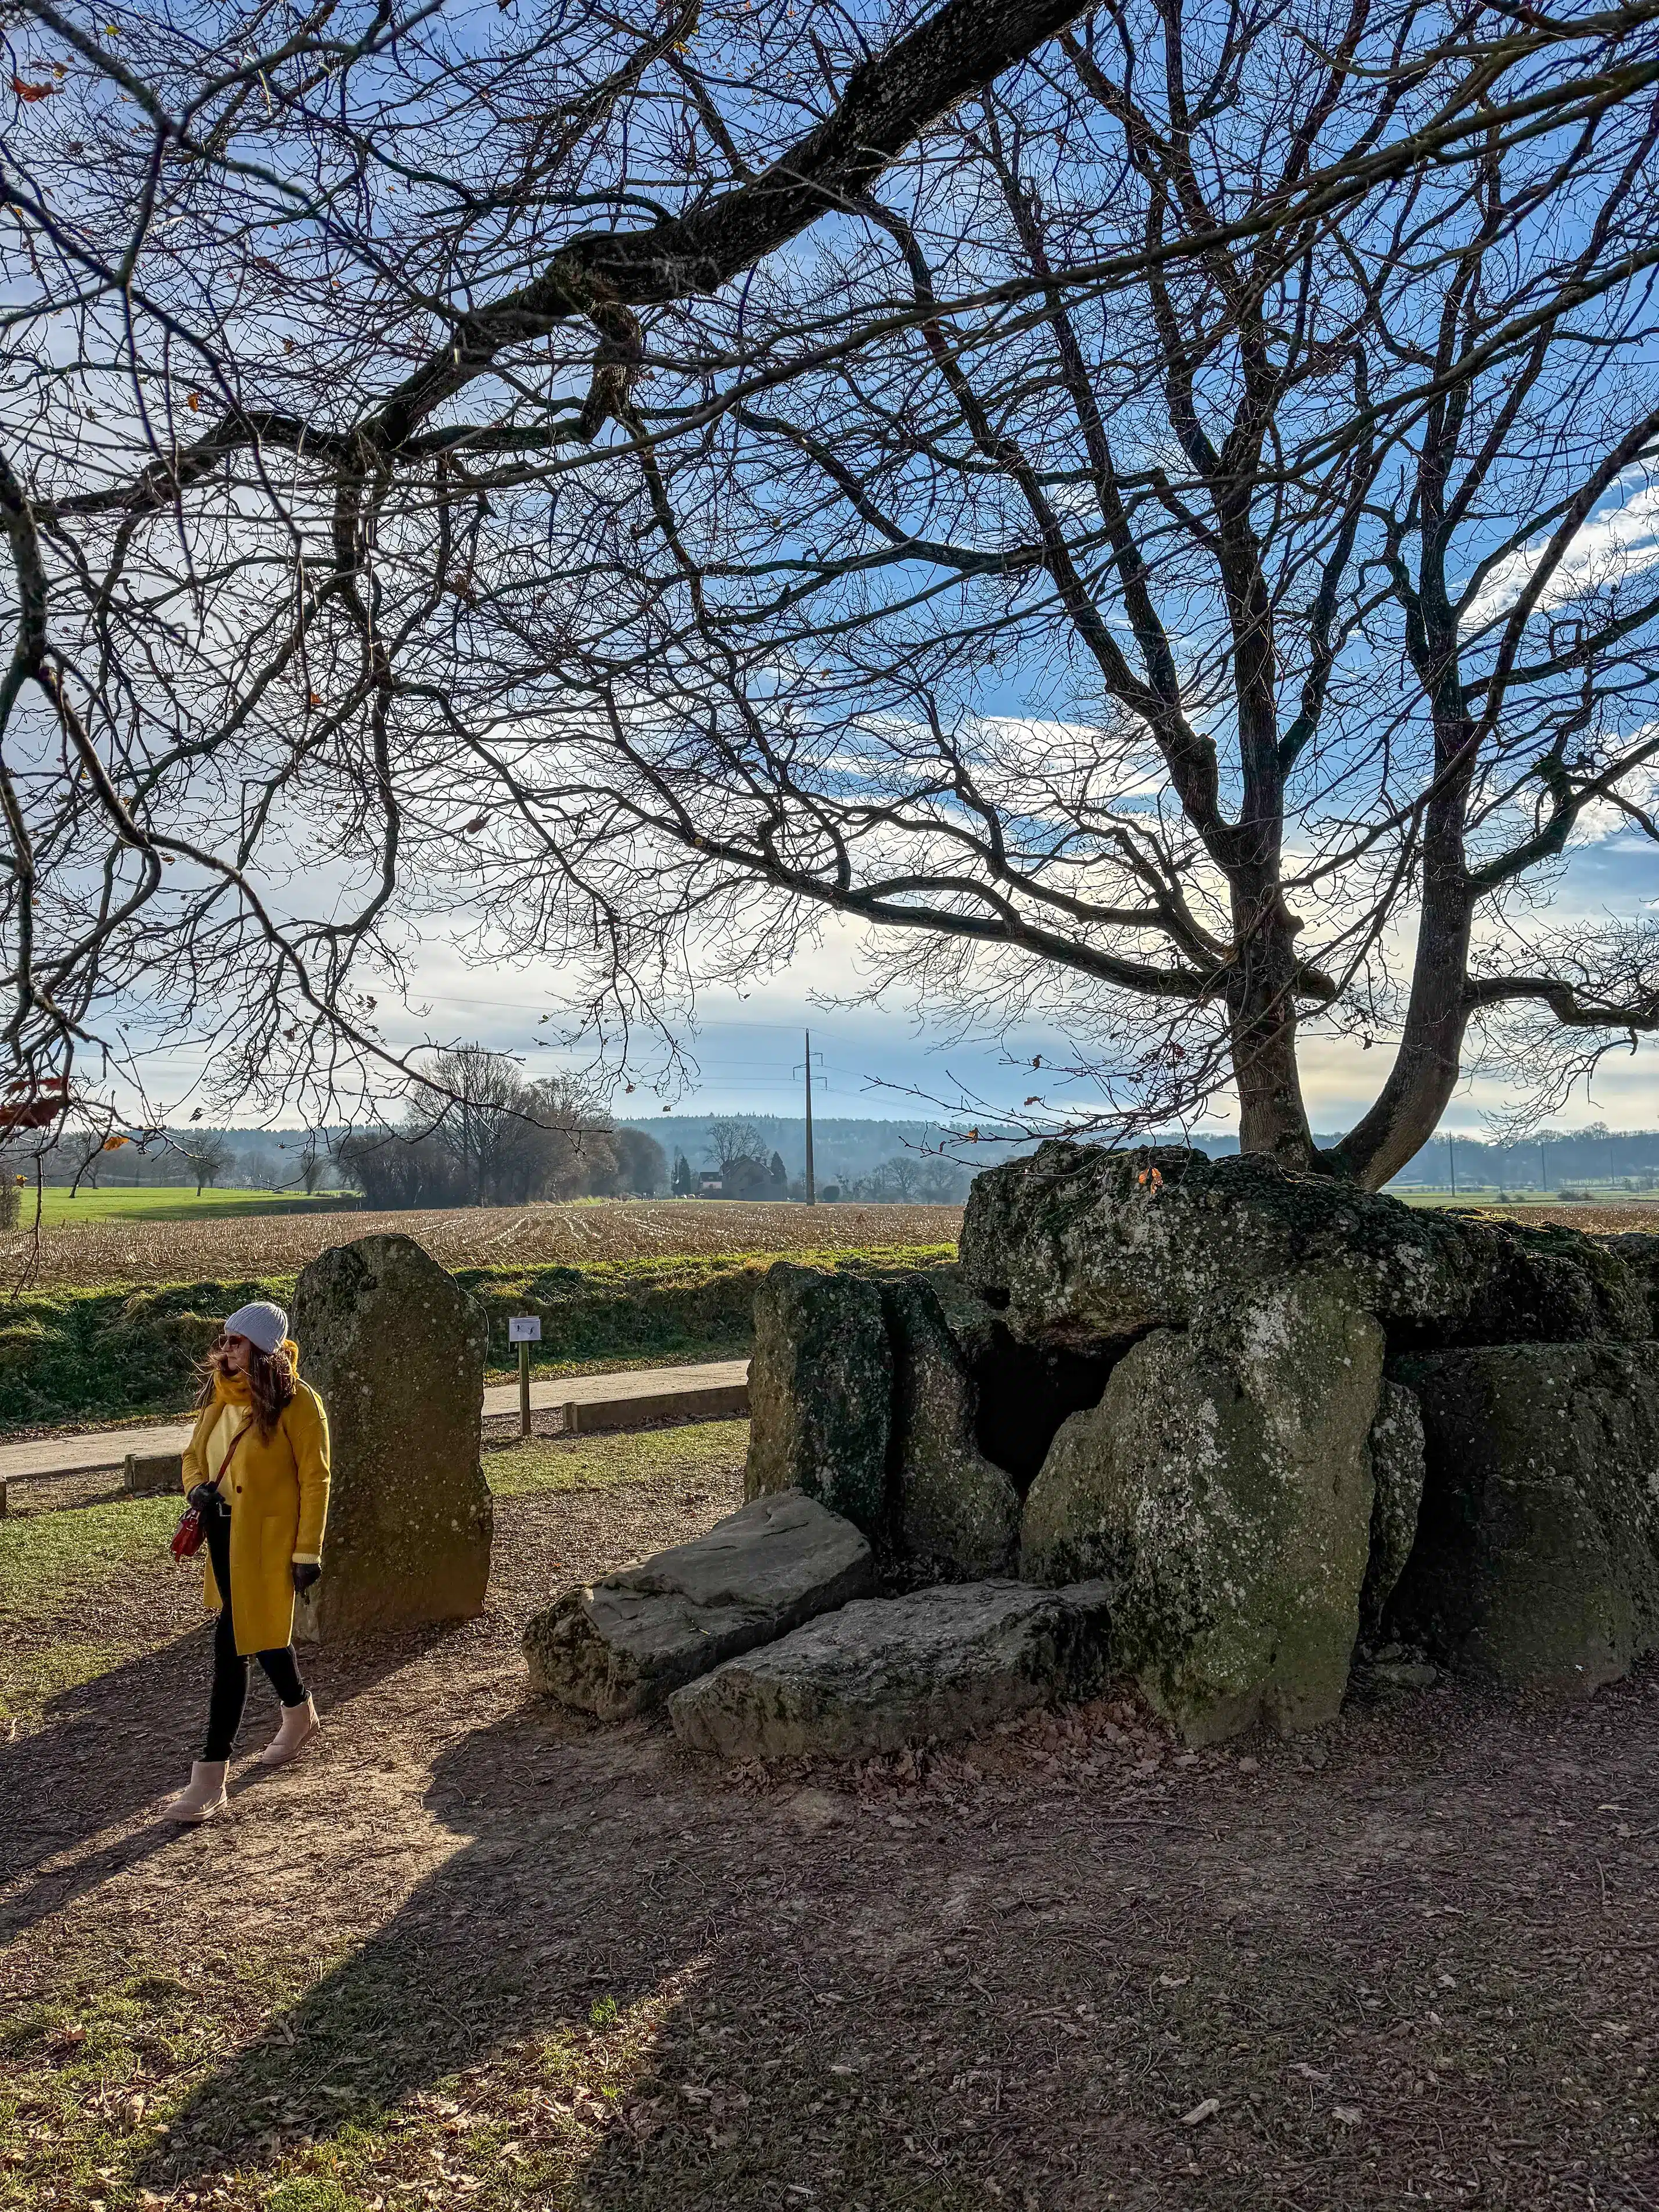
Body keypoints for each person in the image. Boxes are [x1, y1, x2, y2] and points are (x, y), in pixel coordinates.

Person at [166, 1301, 331, 1822]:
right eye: (223, 1339)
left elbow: (315, 1478)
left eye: (234, 1342)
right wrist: (196, 1491)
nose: (224, 1349)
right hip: (222, 1534)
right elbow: (193, 1456)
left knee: (231, 1644)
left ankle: (210, 1774)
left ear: (261, 1349)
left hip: (268, 1541)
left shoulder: (299, 1403)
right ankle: (299, 1710)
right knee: (255, 1632)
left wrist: (308, 1551)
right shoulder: (219, 1397)